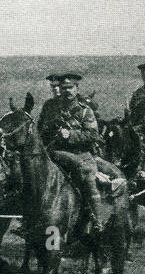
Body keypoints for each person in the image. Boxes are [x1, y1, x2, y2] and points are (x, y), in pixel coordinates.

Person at [40, 73, 107, 233]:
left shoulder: (85, 111)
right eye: (64, 88)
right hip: (55, 154)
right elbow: (41, 129)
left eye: (71, 87)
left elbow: (92, 135)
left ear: (77, 88)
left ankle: (97, 220)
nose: (67, 91)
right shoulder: (52, 108)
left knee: (88, 179)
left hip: (80, 155)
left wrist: (70, 135)